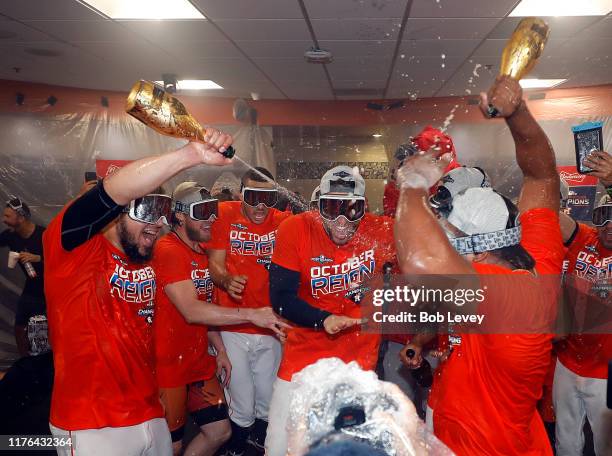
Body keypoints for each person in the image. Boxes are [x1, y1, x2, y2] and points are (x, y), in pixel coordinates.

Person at [394, 75, 565, 455]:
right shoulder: (535, 252)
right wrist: (518, 115)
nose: (447, 247)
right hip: (467, 419)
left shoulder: (509, 298)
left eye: (453, 240)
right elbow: (541, 175)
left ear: (481, 251)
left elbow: (421, 264)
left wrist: (412, 184)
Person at [43, 132, 236, 456]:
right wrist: (190, 155)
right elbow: (111, 193)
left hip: (148, 411)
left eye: (161, 212)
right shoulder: (73, 250)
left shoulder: (146, 257)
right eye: (146, 212)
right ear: (112, 214)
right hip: (92, 423)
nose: (158, 224)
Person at [265, 165, 397, 456]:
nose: (340, 220)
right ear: (318, 205)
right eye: (330, 207)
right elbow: (281, 297)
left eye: (350, 209)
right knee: (279, 447)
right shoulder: (296, 228)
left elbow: (423, 270)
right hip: (302, 362)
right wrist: (323, 319)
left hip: (357, 366)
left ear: (364, 208)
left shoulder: (383, 231)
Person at [153, 182, 288, 456]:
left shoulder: (200, 252)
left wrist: (221, 349)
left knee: (220, 432)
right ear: (180, 215)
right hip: (169, 365)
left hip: (198, 359)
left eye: (212, 211)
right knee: (172, 445)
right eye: (202, 212)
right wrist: (252, 314)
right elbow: (192, 310)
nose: (212, 218)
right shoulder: (168, 250)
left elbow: (207, 308)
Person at [207, 167, 291, 455]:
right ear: (242, 194)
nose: (260, 206)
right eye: (253, 197)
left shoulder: (285, 222)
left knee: (268, 403)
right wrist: (226, 280)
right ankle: (236, 450)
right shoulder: (225, 214)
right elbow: (214, 264)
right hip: (233, 324)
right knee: (241, 405)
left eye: (267, 197)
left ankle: (258, 448)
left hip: (269, 323)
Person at [554, 192, 612, 456]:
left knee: (605, 444)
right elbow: (546, 213)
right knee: (565, 440)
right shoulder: (583, 236)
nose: (610, 226)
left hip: (604, 370)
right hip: (567, 360)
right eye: (604, 217)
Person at [1, 196, 46, 356]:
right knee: (19, 327)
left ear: (21, 217)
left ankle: (42, 366)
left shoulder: (44, 235)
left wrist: (39, 258)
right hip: (31, 288)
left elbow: (64, 259)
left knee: (40, 330)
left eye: (7, 216)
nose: (3, 220)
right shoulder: (10, 235)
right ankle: (24, 362)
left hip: (49, 289)